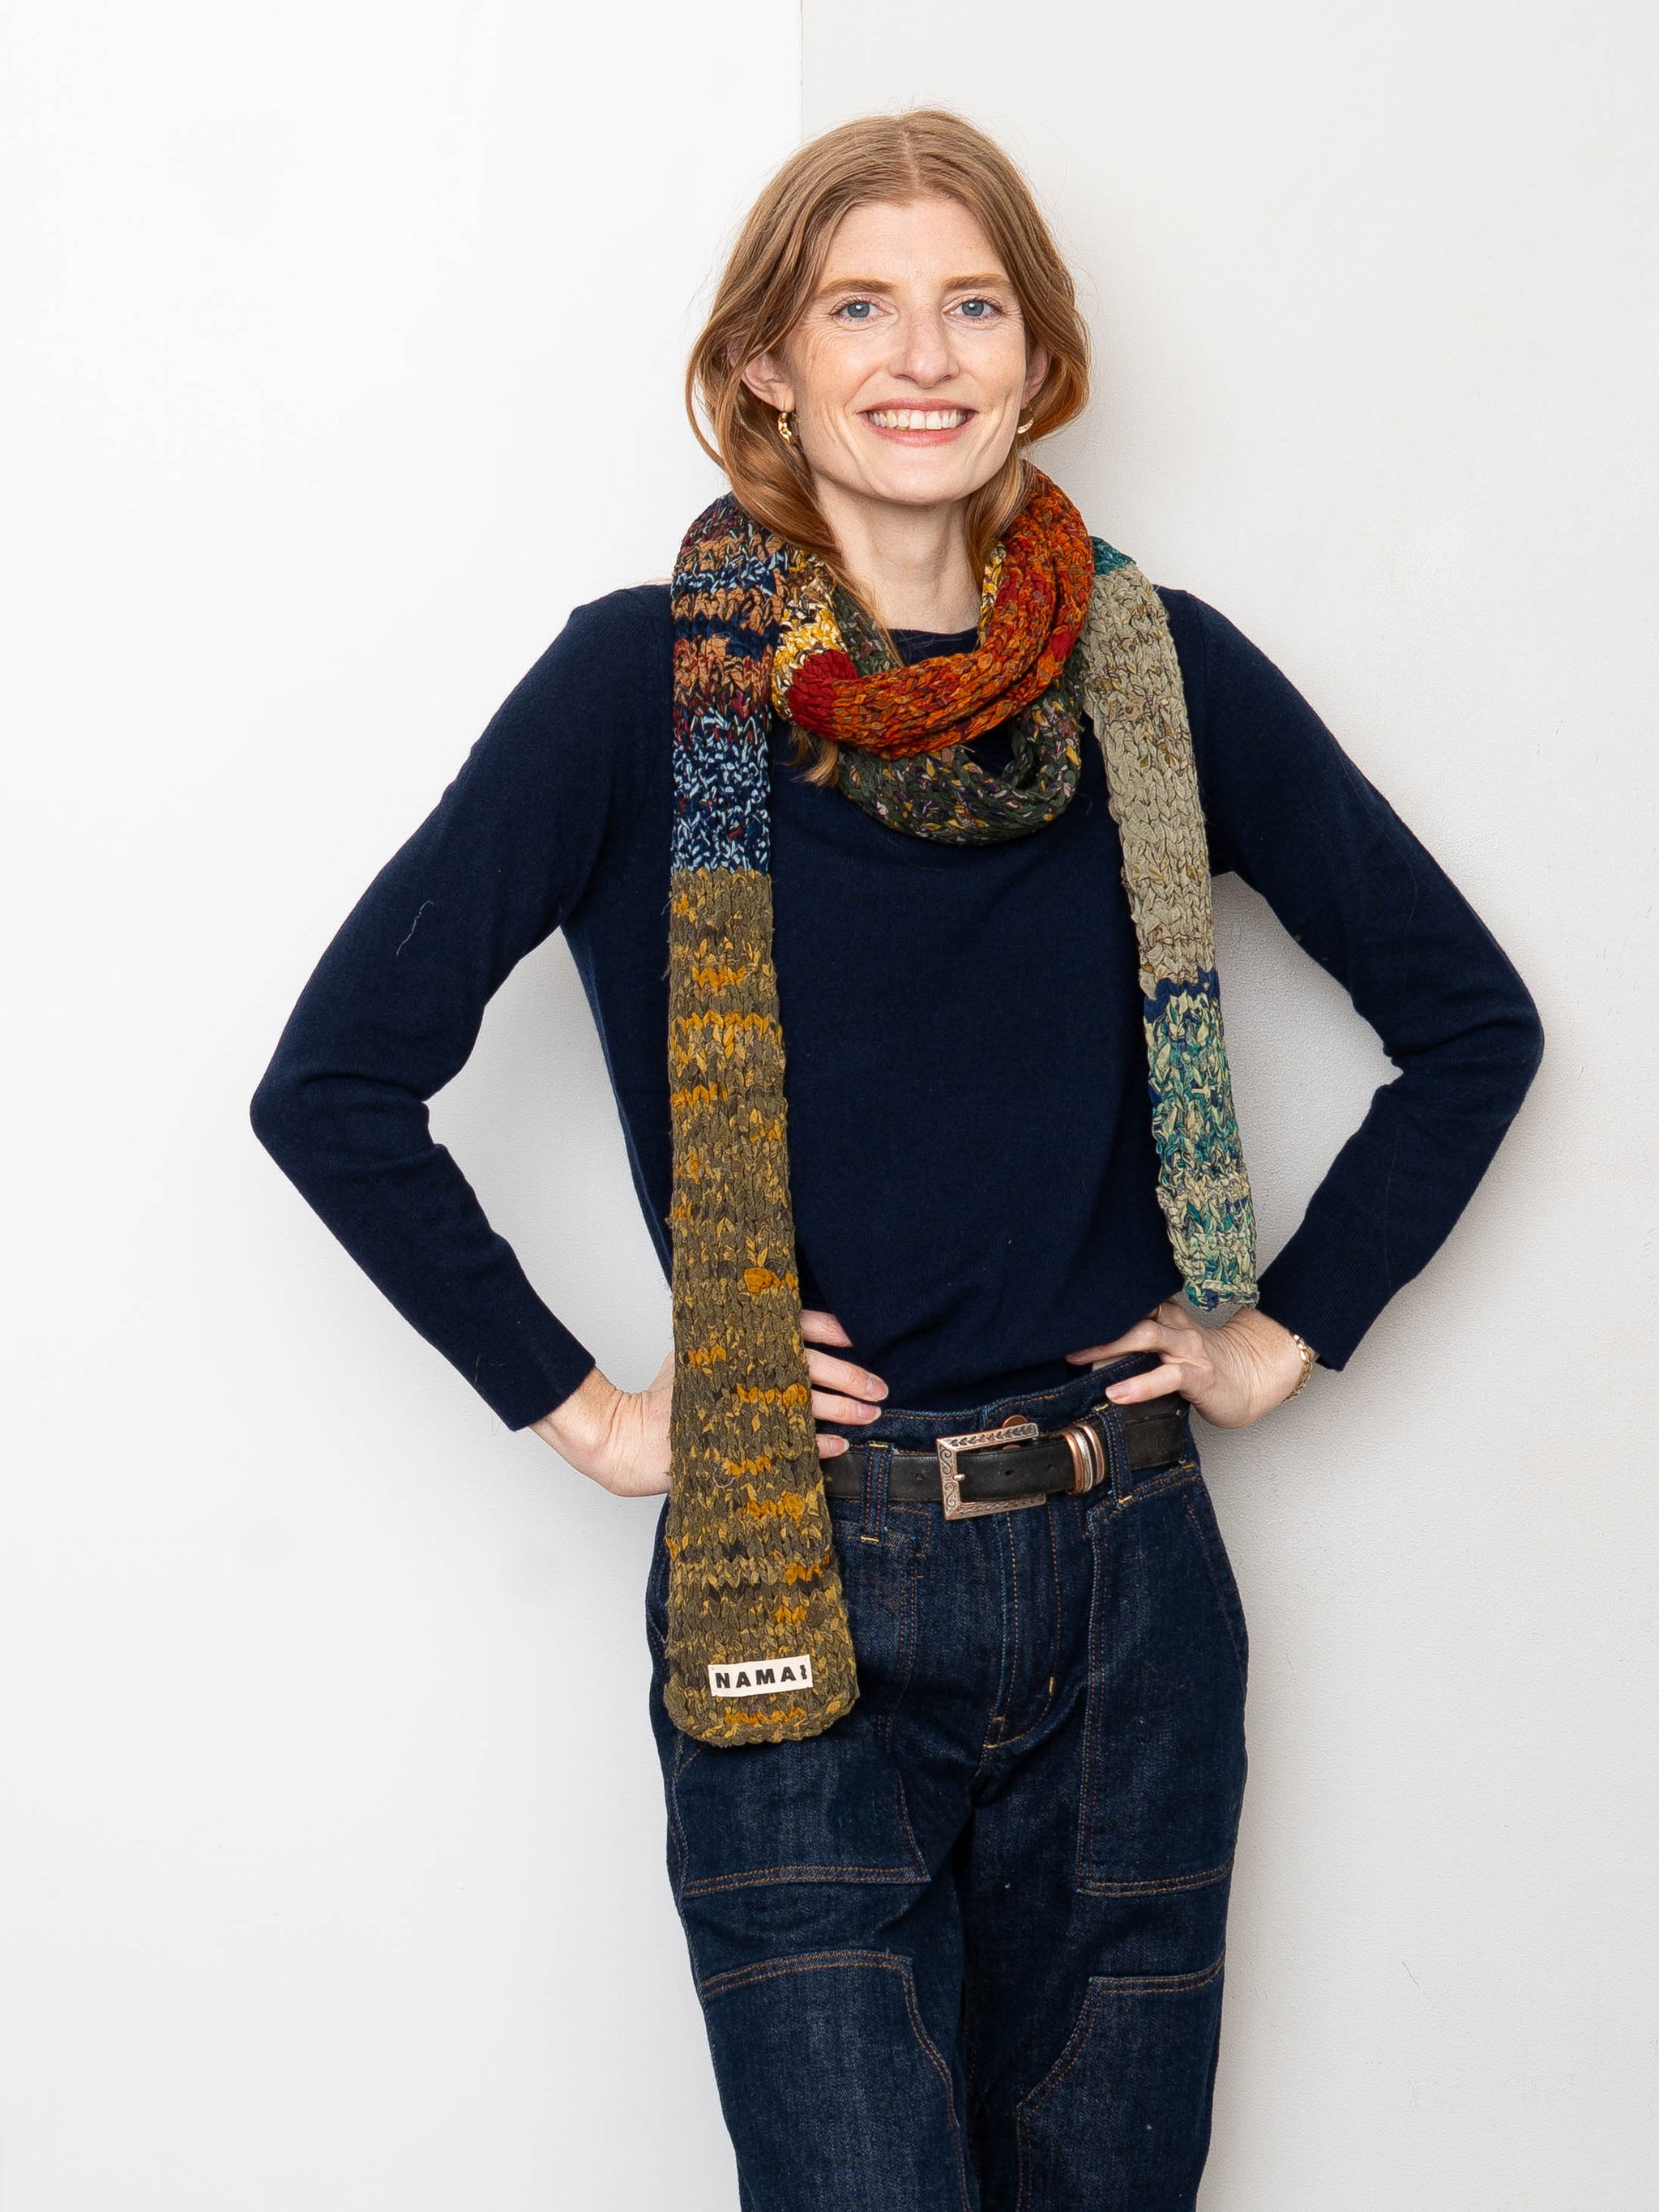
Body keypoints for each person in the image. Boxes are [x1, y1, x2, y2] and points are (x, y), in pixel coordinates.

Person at [251, 109, 1542, 2212]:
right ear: (767, 364)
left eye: (973, 305)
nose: (922, 356)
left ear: (1041, 358)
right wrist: (600, 1416)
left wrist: (1285, 1330)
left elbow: (1473, 1023)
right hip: (798, 1570)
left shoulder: (1154, 676)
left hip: (1132, 1591)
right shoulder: (642, 695)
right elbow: (333, 1086)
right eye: (860, 306)